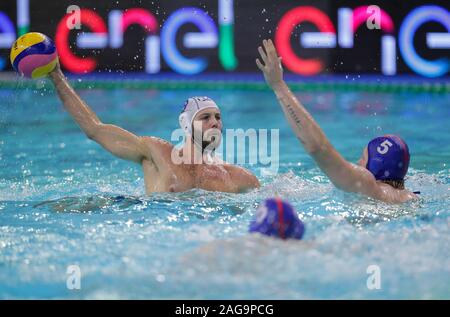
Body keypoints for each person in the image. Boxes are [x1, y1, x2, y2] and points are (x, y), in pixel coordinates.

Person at [48, 63, 260, 194]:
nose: (215, 122)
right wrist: (57, 76)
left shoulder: (237, 177)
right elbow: (93, 129)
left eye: (218, 117)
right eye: (205, 117)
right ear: (186, 125)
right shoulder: (156, 152)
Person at [256, 39, 418, 203]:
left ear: (375, 166)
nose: (357, 163)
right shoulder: (411, 198)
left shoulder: (366, 184)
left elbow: (318, 148)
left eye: (363, 158)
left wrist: (278, 85)